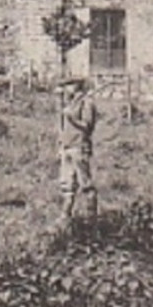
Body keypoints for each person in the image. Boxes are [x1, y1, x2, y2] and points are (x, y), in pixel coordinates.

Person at [57, 76, 99, 219]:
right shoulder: (69, 103)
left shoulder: (86, 103)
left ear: (77, 86)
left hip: (79, 147)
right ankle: (65, 216)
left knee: (85, 183)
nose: (66, 88)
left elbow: (87, 126)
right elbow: (62, 127)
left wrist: (71, 118)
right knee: (67, 184)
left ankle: (91, 217)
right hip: (67, 147)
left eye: (69, 84)